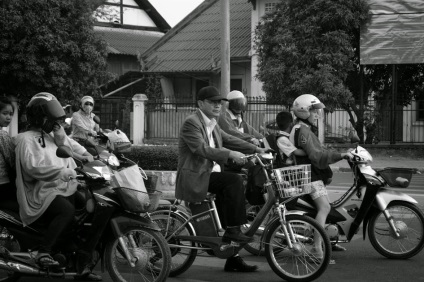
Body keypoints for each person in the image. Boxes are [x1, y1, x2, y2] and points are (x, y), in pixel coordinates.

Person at [176, 86, 269, 272]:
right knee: (234, 180)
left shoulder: (213, 122)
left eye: (219, 102)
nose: (218, 106)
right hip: (197, 176)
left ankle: (232, 257)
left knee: (235, 185)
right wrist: (231, 155)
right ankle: (234, 230)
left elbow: (229, 138)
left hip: (210, 175)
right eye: (212, 102)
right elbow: (202, 149)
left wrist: (257, 149)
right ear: (200, 103)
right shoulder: (191, 123)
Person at [14, 92, 101, 281]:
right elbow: (32, 168)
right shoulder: (25, 139)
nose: (55, 124)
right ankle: (43, 251)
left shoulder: (50, 134)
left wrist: (88, 155)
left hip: (59, 187)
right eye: (50, 119)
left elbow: (70, 144)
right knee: (67, 211)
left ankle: (71, 250)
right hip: (39, 192)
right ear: (39, 117)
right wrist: (60, 172)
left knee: (84, 204)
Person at [289, 94, 352, 255]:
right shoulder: (303, 131)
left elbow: (319, 151)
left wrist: (342, 153)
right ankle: (317, 247)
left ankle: (327, 238)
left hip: (309, 173)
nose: (318, 114)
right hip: (307, 175)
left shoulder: (302, 128)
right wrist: (342, 155)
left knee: (323, 207)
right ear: (304, 112)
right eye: (314, 111)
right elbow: (317, 156)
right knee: (324, 207)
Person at [0, 96, 18, 211]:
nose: (9, 117)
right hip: (3, 185)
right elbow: (12, 161)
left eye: (11, 114)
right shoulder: (2, 135)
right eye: (5, 113)